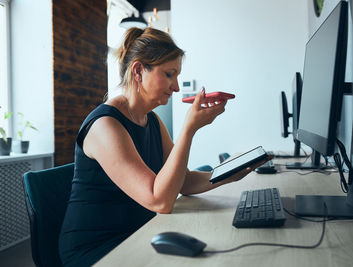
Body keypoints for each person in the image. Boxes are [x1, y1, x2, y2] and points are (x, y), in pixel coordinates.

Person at [59, 27, 264, 267]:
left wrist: (228, 175)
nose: (176, 87)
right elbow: (160, 201)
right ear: (138, 70)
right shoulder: (105, 125)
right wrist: (189, 128)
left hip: (138, 234)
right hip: (98, 249)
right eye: (169, 74)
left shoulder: (152, 121)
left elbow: (182, 181)